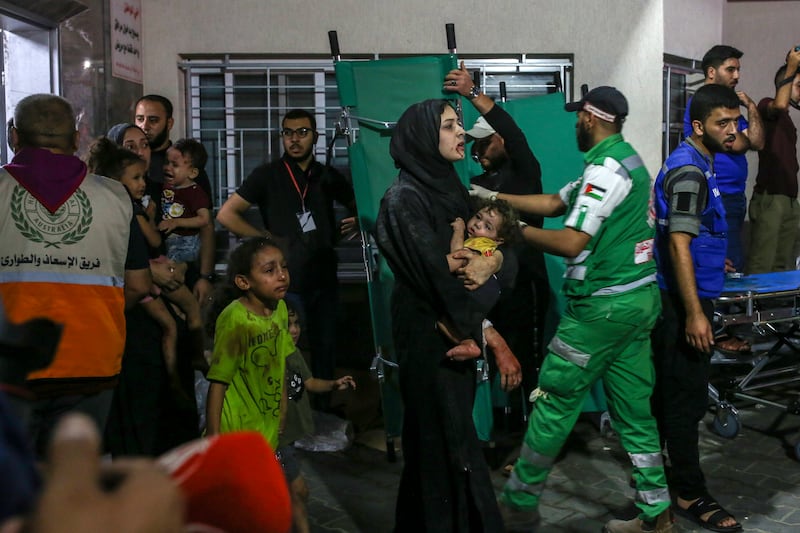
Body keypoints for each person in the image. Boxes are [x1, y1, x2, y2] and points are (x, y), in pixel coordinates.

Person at [478, 86, 671, 533]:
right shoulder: (625, 159)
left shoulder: (604, 171)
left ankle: (518, 506)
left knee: (554, 399)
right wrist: (490, 199)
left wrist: (510, 234)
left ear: (588, 118)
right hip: (635, 305)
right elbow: (553, 203)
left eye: (577, 117)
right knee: (635, 415)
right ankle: (657, 516)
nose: (574, 125)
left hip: (600, 312)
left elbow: (569, 241)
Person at [375, 99, 509, 532]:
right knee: (447, 443)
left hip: (456, 328)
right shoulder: (402, 199)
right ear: (422, 138)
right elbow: (434, 272)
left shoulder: (448, 187)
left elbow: (486, 250)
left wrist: (492, 264)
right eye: (450, 125)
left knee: (440, 442)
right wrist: (467, 314)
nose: (459, 133)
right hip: (431, 338)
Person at [0, 94, 150, 456]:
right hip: (92, 363)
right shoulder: (115, 196)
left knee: (11, 491)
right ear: (76, 139)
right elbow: (139, 284)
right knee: (71, 486)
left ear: (13, 136)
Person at [216, 109, 357, 401]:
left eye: (302, 132)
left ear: (315, 137)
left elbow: (362, 207)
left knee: (325, 345)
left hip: (323, 273)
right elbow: (227, 214)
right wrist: (264, 238)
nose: (294, 139)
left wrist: (357, 221)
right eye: (288, 132)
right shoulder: (267, 175)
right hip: (282, 279)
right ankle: (285, 413)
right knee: (283, 346)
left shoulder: (326, 176)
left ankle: (323, 410)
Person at [653, 83, 744, 533]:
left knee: (677, 395)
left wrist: (713, 252)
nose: (732, 130)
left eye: (735, 121)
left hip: (691, 291)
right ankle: (688, 493)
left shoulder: (701, 162)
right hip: (681, 303)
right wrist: (693, 313)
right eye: (721, 123)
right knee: (685, 400)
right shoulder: (689, 170)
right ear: (697, 126)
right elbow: (676, 243)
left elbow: (693, 233)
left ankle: (666, 480)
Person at [445, 61, 549, 399]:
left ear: (501, 140)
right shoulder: (476, 184)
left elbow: (513, 131)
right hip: (489, 288)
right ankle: (498, 431)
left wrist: (472, 92)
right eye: (472, 144)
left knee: (527, 363)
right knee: (491, 359)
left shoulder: (525, 173)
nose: (476, 151)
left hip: (526, 286)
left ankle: (532, 434)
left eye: (484, 143)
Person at [205, 237, 295, 452]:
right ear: (244, 282)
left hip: (265, 427)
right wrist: (214, 440)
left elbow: (279, 361)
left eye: (283, 267)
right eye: (269, 270)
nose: (282, 276)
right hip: (236, 431)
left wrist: (283, 407)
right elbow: (218, 383)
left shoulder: (280, 308)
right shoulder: (236, 320)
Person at [682, 45, 764, 274]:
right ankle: (725, 309)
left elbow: (757, 141)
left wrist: (752, 107)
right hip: (717, 195)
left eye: (738, 70)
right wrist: (740, 138)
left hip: (734, 196)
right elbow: (737, 143)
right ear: (711, 72)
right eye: (730, 69)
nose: (736, 76)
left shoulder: (729, 105)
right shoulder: (702, 103)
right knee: (728, 263)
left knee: (733, 261)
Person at [277, 304, 356, 533]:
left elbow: (309, 383)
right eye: (287, 325)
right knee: (298, 491)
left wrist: (333, 384)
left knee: (292, 492)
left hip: (290, 436)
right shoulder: (271, 355)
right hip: (278, 438)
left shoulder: (295, 353)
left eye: (296, 324)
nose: (294, 330)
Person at [134, 94, 216, 304]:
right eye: (140, 119)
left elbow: (206, 226)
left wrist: (205, 277)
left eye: (153, 120)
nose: (145, 126)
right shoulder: (130, 167)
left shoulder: (188, 169)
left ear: (169, 123)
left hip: (183, 269)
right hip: (141, 273)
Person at [746, 48, 800, 273]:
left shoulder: (787, 121)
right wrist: (792, 66)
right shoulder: (767, 105)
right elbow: (780, 104)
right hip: (770, 198)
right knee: (763, 263)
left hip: (789, 199)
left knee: (784, 264)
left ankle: (777, 308)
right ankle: (756, 307)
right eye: (798, 86)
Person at [159, 138, 212, 264]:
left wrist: (176, 222)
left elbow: (204, 219)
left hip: (186, 242)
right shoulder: (166, 186)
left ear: (192, 173)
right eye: (167, 162)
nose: (168, 167)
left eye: (175, 165)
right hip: (168, 240)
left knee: (172, 271)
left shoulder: (194, 192)